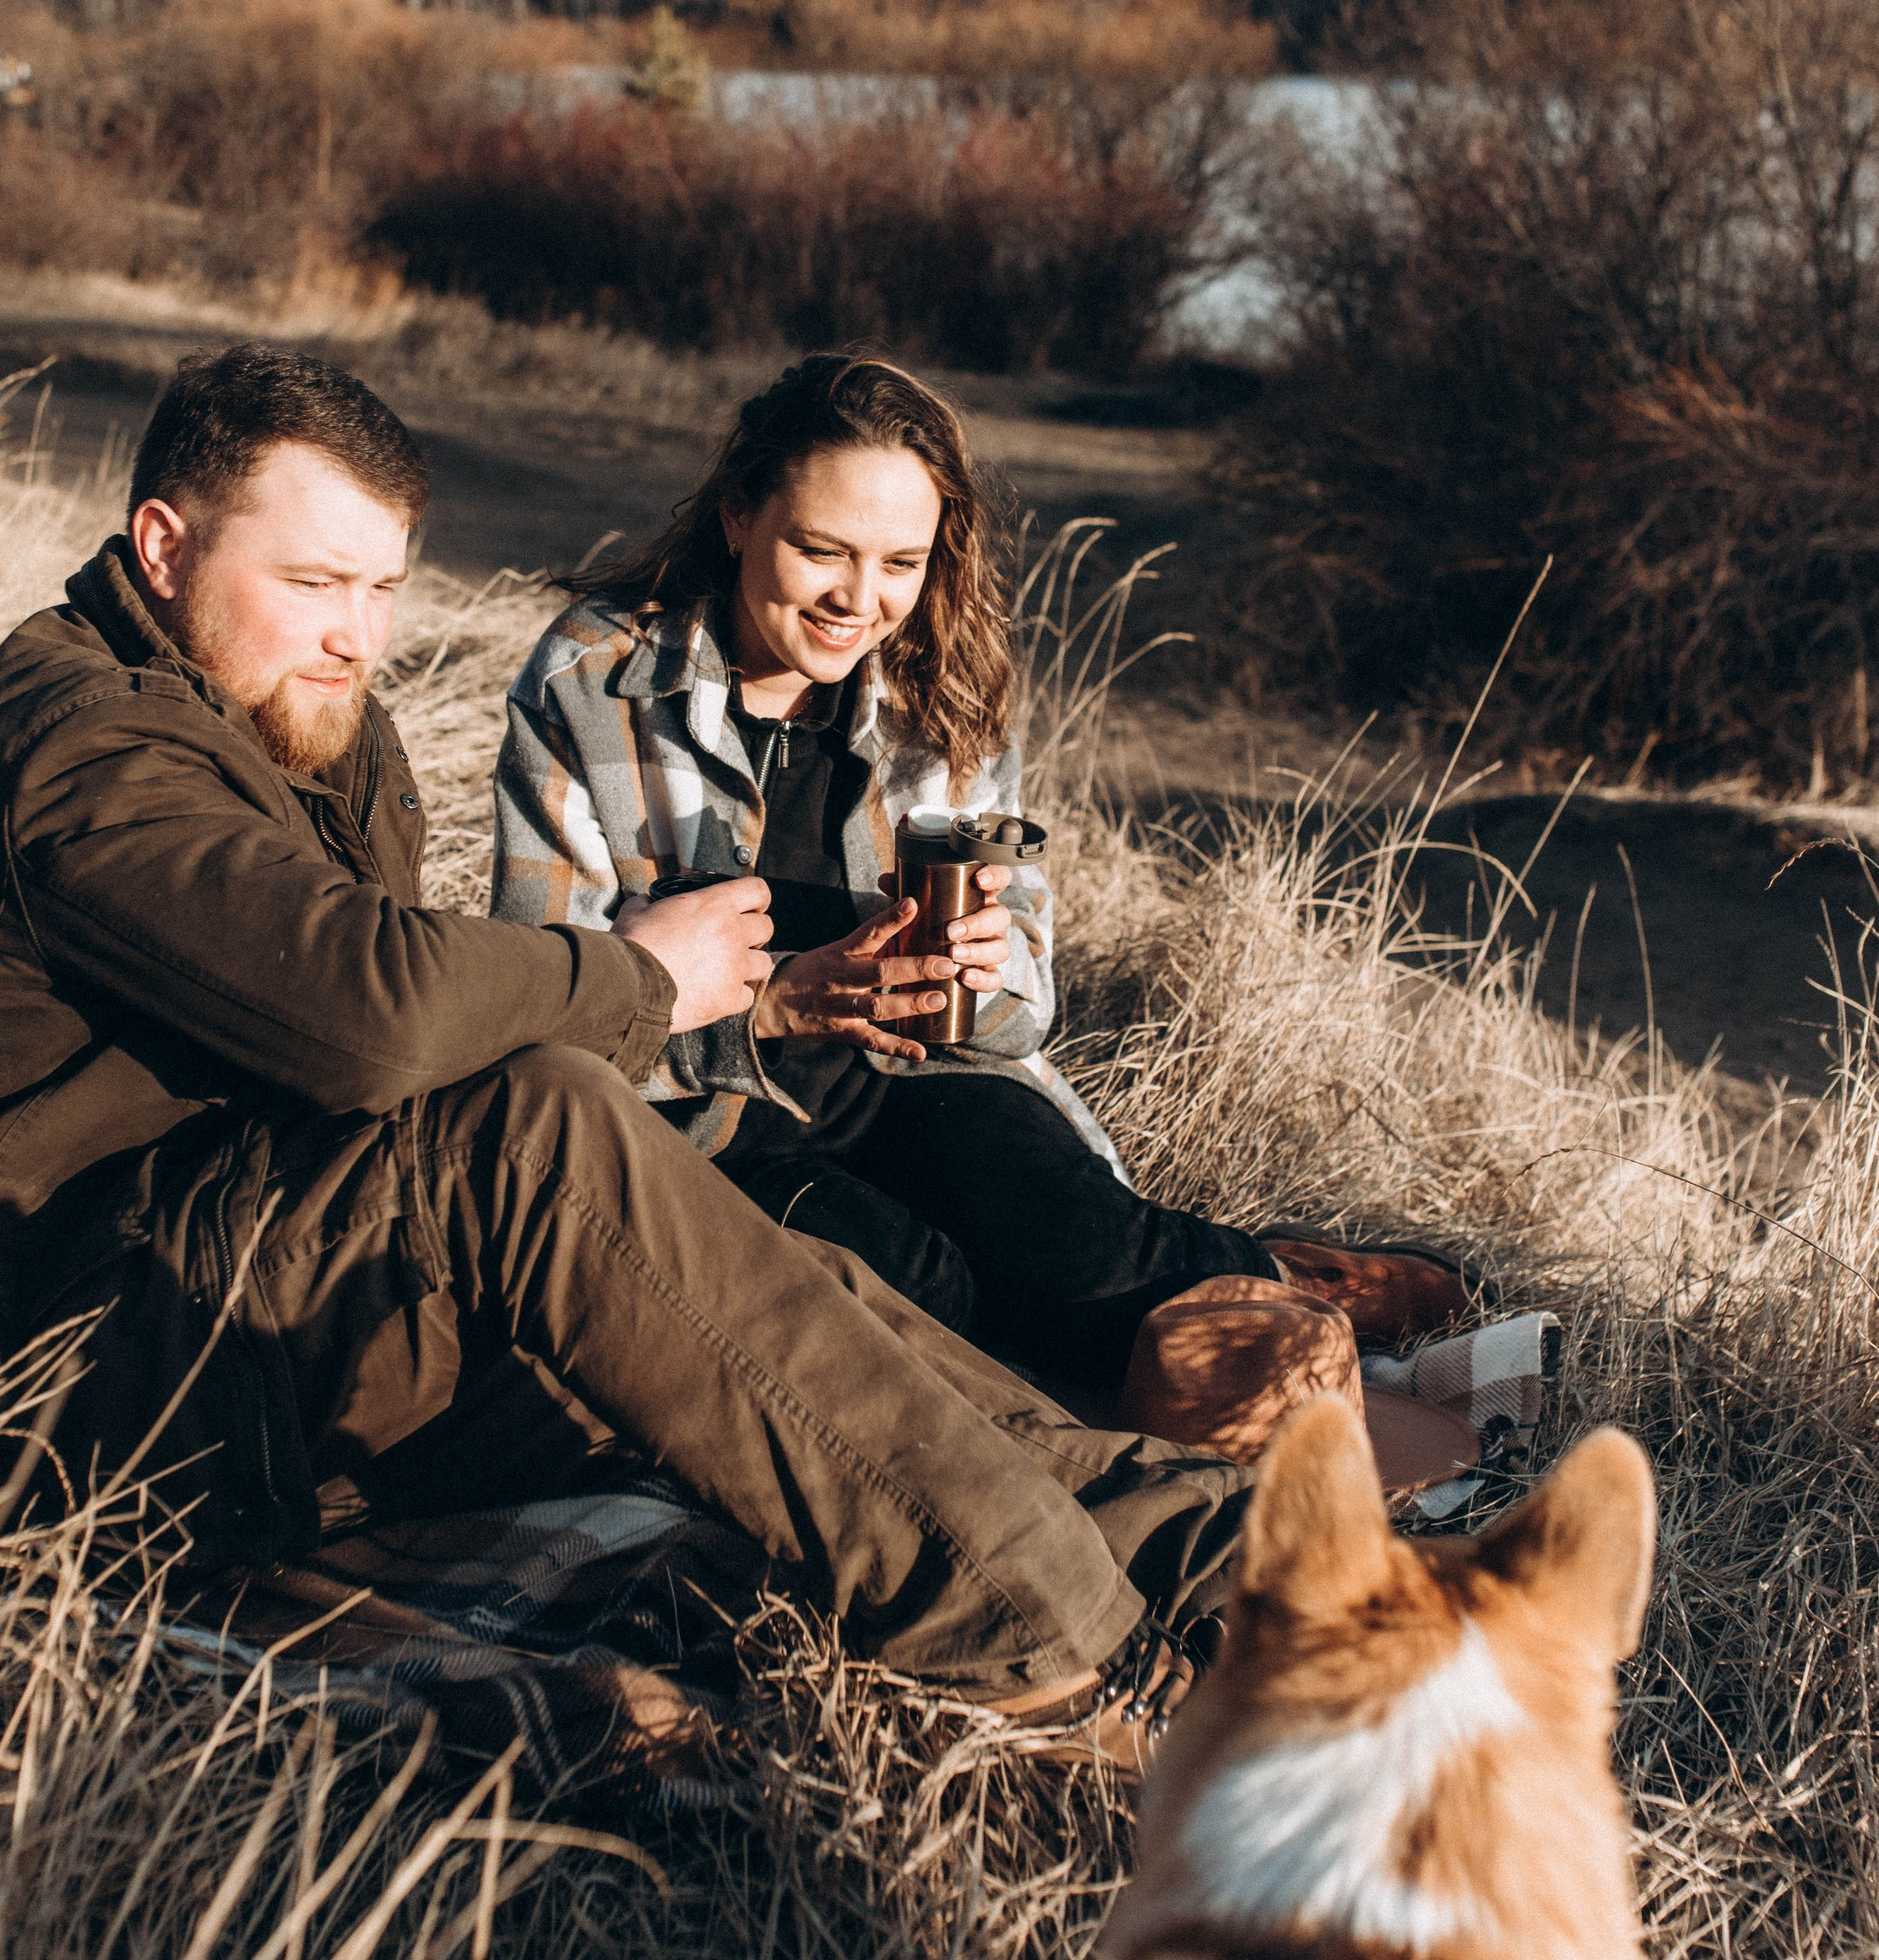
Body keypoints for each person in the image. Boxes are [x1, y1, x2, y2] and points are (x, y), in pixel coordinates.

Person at [0, 342, 1252, 1757]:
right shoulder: (80, 740)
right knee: (546, 1126)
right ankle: (1057, 1645)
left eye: (385, 586)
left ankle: (1216, 1549)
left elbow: (391, 1067)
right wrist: (641, 979)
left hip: (231, 1296)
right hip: (16, 1369)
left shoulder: (311, 719)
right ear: (163, 548)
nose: (359, 631)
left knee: (757, 1282)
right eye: (313, 580)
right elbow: (378, 1011)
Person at [491, 352, 1454, 1400]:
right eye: (821, 550)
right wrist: (769, 1009)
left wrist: (991, 974)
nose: (859, 601)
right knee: (923, 1304)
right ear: (736, 516)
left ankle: (1285, 1275)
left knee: (1085, 1257)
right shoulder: (594, 680)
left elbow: (1021, 1009)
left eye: (901, 562)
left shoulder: (936, 680)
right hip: (710, 1121)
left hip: (918, 1076)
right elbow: (551, 1024)